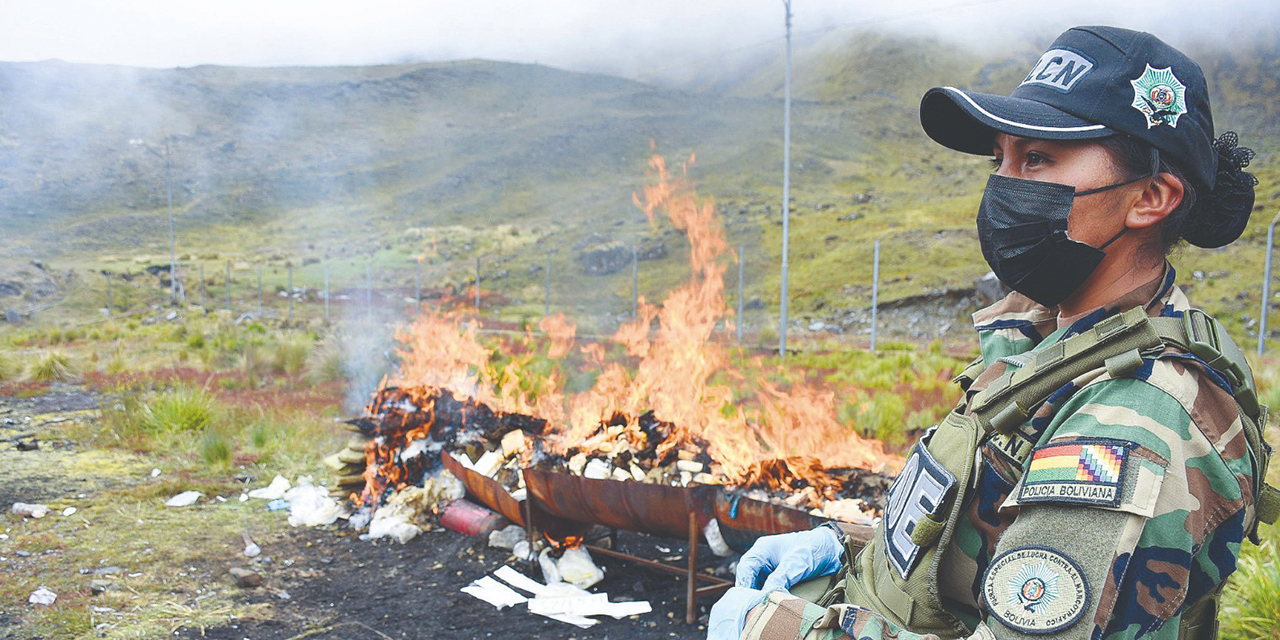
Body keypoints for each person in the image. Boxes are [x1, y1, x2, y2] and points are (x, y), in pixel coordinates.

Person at [709, 25, 1277, 640]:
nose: (1003, 185)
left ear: (1151, 197)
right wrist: (849, 544)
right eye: (999, 160)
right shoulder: (1063, 344)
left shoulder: (1133, 420)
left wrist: (776, 630)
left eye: (1036, 158)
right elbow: (996, 544)